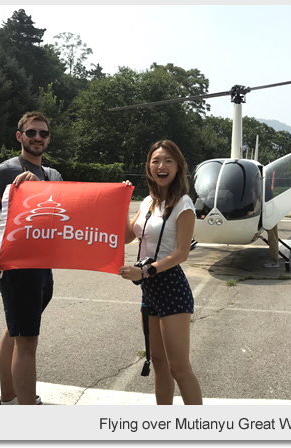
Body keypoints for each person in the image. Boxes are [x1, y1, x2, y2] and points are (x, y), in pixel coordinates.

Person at [0, 111, 63, 405]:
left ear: (49, 138)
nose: (38, 137)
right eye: (32, 132)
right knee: (27, 341)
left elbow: (66, 218)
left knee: (15, 329)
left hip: (43, 268)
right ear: (19, 136)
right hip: (17, 269)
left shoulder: (53, 175)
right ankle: (26, 412)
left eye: (43, 133)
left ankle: (9, 399)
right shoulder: (6, 171)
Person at [118, 140, 203, 405]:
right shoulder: (147, 202)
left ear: (178, 167)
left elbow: (182, 253)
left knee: (178, 367)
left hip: (170, 287)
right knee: (158, 362)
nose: (161, 166)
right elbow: (126, 236)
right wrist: (119, 203)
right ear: (149, 167)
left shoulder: (184, 204)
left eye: (167, 160)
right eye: (155, 161)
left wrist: (146, 271)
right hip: (149, 288)